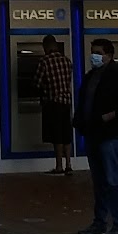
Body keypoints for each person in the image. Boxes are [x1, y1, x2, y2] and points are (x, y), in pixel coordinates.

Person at [76, 37, 118, 234]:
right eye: (93, 52)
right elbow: (84, 101)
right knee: (99, 181)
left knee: (113, 180)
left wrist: (109, 116)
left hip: (109, 135)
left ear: (109, 56)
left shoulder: (117, 76)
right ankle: (99, 222)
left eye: (98, 53)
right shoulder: (91, 76)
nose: (94, 56)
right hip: (92, 134)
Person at [34, 34, 75, 174]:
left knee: (57, 134)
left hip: (53, 102)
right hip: (66, 102)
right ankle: (68, 164)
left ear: (45, 46)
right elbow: (68, 81)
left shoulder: (44, 61)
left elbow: (37, 83)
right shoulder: (67, 61)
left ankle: (59, 166)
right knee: (66, 134)